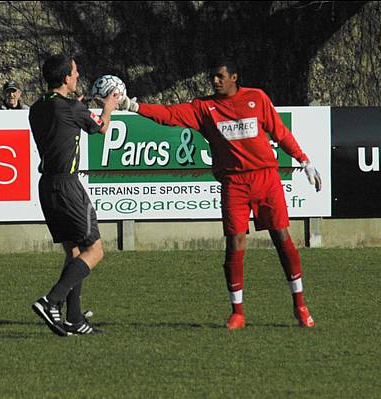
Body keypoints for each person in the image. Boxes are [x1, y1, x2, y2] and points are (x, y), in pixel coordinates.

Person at [119, 59, 322, 329]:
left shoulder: (256, 98)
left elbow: (280, 132)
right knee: (234, 244)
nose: (215, 81)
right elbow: (168, 115)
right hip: (234, 184)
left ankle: (300, 305)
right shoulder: (204, 108)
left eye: (220, 76)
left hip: (266, 179)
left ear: (234, 77)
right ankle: (237, 312)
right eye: (212, 77)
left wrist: (304, 160)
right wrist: (133, 106)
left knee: (282, 238)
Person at [28, 54, 120, 336]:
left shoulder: (37, 107)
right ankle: (50, 300)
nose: (78, 75)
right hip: (68, 186)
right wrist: (109, 107)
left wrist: (78, 107)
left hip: (47, 186)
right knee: (95, 250)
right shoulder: (70, 108)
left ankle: (75, 319)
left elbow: (64, 121)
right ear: (66, 77)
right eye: (75, 72)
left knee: (74, 251)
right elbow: (101, 128)